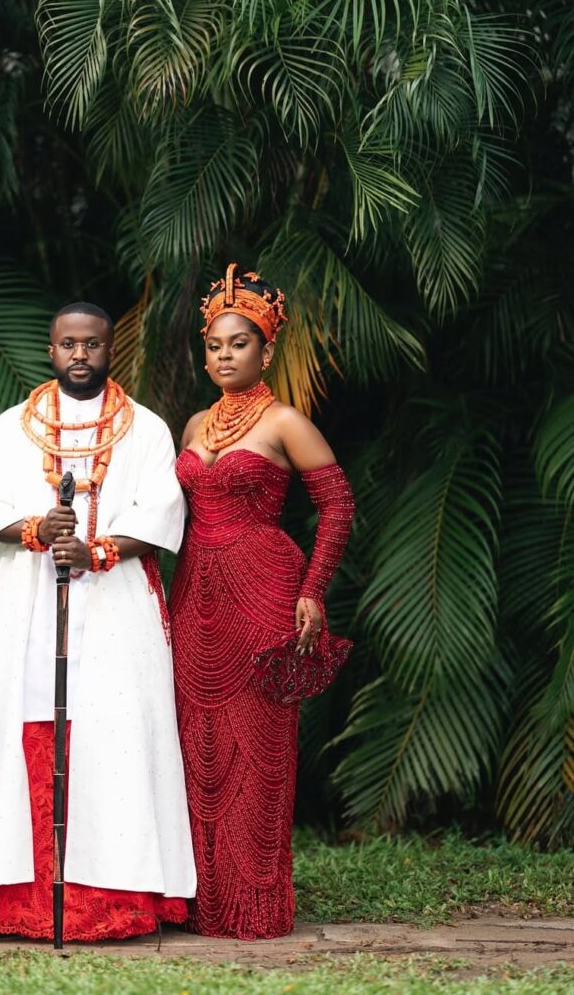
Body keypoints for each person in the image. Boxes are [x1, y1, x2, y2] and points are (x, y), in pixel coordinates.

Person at [0, 302, 196, 940]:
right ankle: (16, 898)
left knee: (117, 731)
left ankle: (114, 900)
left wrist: (98, 550)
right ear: (51, 351)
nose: (81, 355)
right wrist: (32, 528)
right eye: (69, 345)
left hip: (116, 603)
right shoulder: (13, 426)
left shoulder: (147, 428)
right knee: (27, 722)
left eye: (94, 345)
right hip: (27, 600)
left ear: (111, 350)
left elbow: (161, 516)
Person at [170, 264, 355, 940]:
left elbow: (336, 506)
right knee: (195, 743)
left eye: (238, 343)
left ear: (266, 351)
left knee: (257, 744)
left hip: (264, 587)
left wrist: (312, 590)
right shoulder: (193, 424)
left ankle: (252, 906)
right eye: (214, 344)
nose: (223, 355)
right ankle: (198, 902)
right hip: (194, 592)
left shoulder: (285, 422)